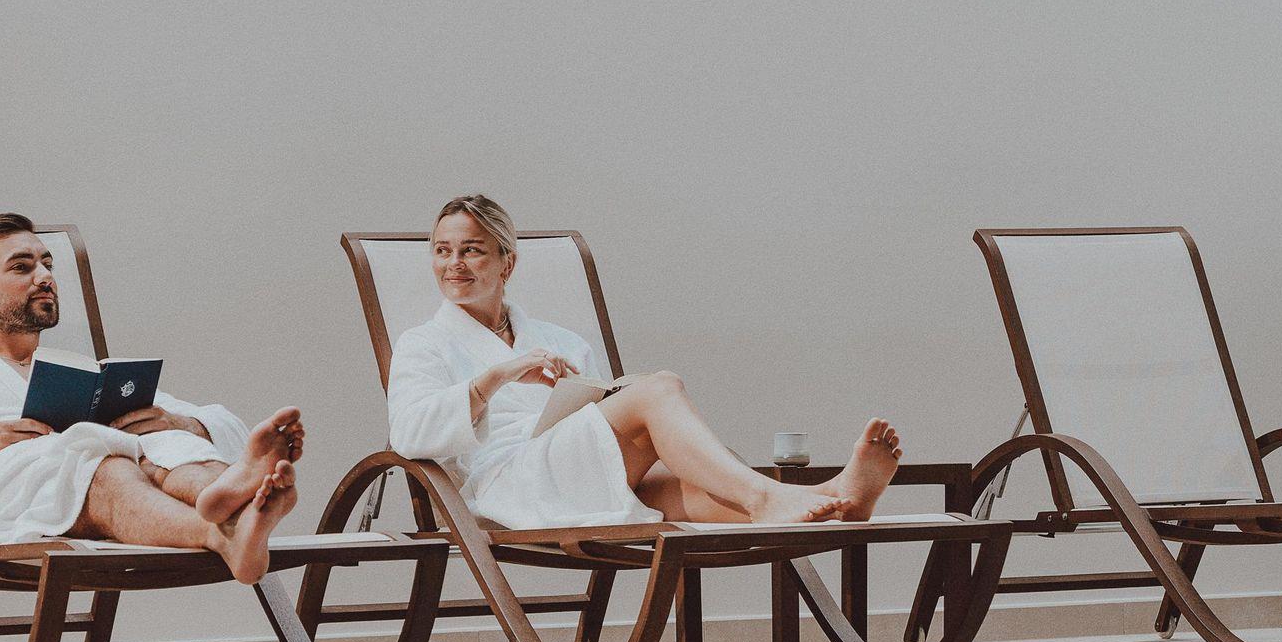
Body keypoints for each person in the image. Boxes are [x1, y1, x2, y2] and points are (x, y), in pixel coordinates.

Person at [0, 212, 303, 583]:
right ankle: (222, 531)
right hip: (2, 496)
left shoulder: (81, 370)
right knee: (103, 465)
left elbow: (192, 422)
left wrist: (183, 424)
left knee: (162, 443)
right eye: (22, 266)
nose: (45, 276)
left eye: (47, 264)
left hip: (90, 467)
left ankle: (230, 493)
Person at [386, 194, 904, 530]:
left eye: (472, 250)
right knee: (660, 387)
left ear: (507, 263)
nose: (453, 264)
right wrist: (497, 377)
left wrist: (586, 394)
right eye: (442, 251)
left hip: (571, 474)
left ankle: (835, 501)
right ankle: (772, 498)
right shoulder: (422, 344)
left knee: (697, 483)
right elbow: (408, 436)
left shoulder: (559, 340)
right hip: (507, 486)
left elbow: (597, 419)